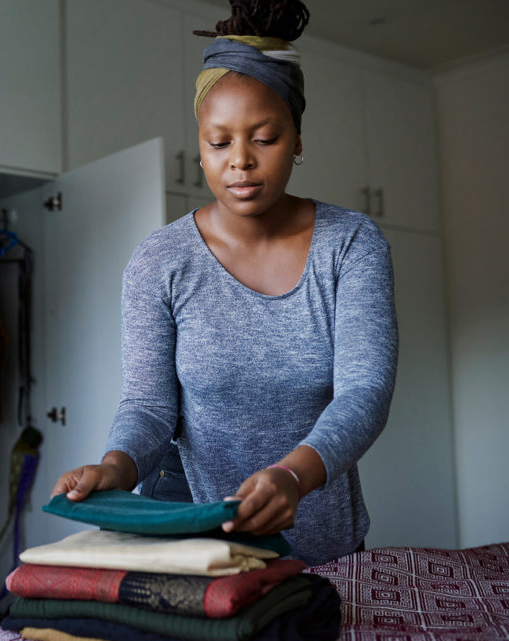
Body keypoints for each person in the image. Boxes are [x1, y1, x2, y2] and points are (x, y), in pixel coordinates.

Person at [50, 0, 398, 566]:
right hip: (193, 537)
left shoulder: (350, 244)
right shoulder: (159, 260)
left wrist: (293, 476)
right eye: (220, 143)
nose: (241, 161)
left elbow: (364, 393)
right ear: (202, 147)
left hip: (323, 542)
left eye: (264, 138)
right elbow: (149, 407)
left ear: (298, 138)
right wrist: (114, 467)